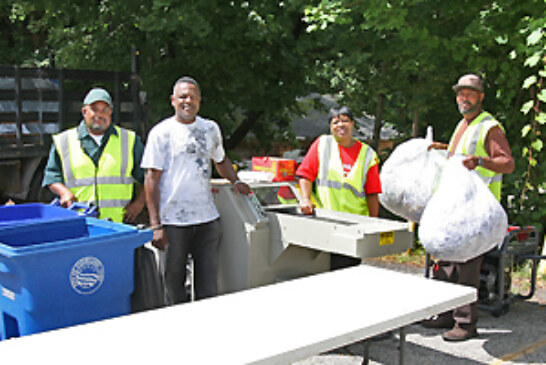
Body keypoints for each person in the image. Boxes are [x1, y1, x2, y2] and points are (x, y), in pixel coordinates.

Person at [142, 76, 250, 304]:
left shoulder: (210, 128)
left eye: (192, 97)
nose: (187, 101)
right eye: (182, 97)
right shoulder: (161, 133)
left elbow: (220, 161)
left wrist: (235, 181)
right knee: (174, 286)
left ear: (199, 101)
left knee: (208, 287)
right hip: (173, 223)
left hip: (207, 220)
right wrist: (155, 225)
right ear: (173, 100)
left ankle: (204, 330)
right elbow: (151, 178)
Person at [423, 73, 515, 341]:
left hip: (477, 211)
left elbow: (507, 163)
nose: (464, 97)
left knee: (467, 267)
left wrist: (481, 161)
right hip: (457, 208)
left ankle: (465, 323)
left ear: (481, 97)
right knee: (446, 261)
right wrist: (441, 149)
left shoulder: (489, 127)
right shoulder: (463, 124)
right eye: (460, 93)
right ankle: (443, 314)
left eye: (470, 93)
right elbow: (458, 158)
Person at [296, 106, 382, 270]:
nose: (340, 125)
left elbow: (372, 193)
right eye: (335, 122)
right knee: (323, 270)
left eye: (345, 121)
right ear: (330, 126)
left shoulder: (368, 154)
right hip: (326, 221)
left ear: (353, 124)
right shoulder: (322, 145)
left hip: (355, 226)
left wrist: (373, 224)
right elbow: (305, 175)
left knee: (348, 271)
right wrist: (305, 198)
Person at [43, 87, 146, 223]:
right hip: (79, 221)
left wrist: (139, 204)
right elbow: (52, 177)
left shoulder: (129, 140)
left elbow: (148, 178)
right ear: (84, 112)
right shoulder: (64, 141)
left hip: (118, 223)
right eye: (94, 109)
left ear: (111, 112)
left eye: (105, 110)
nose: (99, 114)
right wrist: (64, 192)